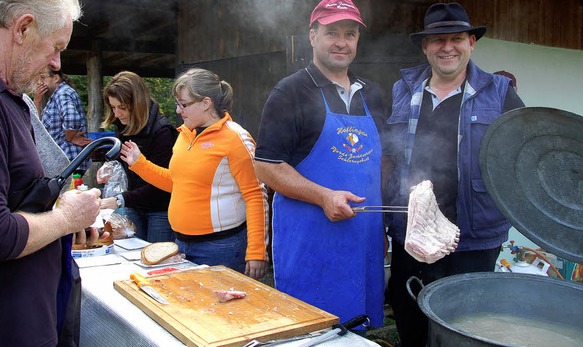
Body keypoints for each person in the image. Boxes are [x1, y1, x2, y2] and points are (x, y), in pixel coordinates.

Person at [0, 1, 106, 346]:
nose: (57, 63)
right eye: (56, 47)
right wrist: (66, 218)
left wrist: (57, 207)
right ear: (22, 28)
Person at [382, 3, 525, 346]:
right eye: (438, 40)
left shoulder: (500, 94)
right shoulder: (403, 90)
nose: (448, 47)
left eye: (457, 38)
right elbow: (388, 157)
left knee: (465, 328)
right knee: (410, 318)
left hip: (472, 239)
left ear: (471, 43)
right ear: (425, 46)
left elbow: (522, 156)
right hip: (412, 234)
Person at [253, 0, 387, 330]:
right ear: (312, 36)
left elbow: (381, 163)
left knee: (358, 329)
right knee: (312, 331)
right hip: (311, 243)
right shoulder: (291, 92)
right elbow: (266, 166)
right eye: (331, 33)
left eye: (350, 34)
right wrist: (323, 196)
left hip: (363, 240)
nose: (342, 42)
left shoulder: (373, 94)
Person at [119, 68, 269, 280]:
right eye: (177, 104)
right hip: (180, 243)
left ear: (206, 103)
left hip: (221, 248)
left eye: (184, 104)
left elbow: (255, 195)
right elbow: (175, 183)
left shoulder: (236, 138)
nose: (179, 111)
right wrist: (139, 163)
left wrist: (256, 251)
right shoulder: (184, 135)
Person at [98, 71, 178, 242]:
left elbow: (162, 184)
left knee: (155, 259)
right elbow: (123, 159)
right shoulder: (123, 124)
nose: (117, 114)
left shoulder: (162, 131)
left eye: (122, 107)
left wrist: (119, 200)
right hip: (133, 205)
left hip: (159, 209)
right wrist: (110, 168)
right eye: (113, 107)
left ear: (138, 104)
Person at [37, 67, 93, 175]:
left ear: (56, 78)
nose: (40, 82)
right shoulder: (57, 95)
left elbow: (71, 117)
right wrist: (37, 101)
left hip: (69, 160)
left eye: (43, 77)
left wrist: (70, 137)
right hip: (67, 162)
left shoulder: (62, 93)